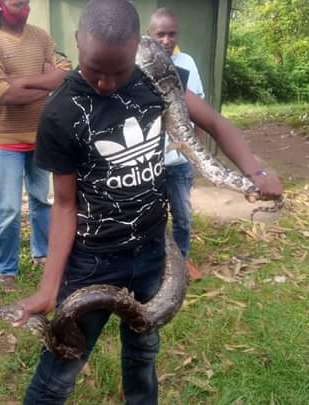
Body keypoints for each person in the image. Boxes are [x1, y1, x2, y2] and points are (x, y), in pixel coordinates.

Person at [16, 0, 283, 403]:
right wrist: (48, 287)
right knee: (61, 366)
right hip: (93, 260)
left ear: (135, 54)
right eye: (94, 69)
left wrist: (256, 172)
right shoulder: (60, 113)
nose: (106, 82)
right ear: (76, 44)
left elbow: (214, 121)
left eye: (118, 71)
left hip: (152, 251)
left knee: (143, 354)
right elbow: (65, 205)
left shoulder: (156, 81)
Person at [0, 0, 70, 292]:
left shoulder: (40, 36)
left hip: (42, 136)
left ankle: (42, 254)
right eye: (18, 3)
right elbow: (3, 95)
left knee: (41, 200)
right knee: (8, 208)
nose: (25, 7)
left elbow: (65, 72)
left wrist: (23, 81)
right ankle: (5, 268)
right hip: (7, 138)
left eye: (27, 3)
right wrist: (46, 81)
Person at [148, 7, 205, 281]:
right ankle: (158, 263)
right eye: (161, 34)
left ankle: (181, 260)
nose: (166, 40)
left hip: (180, 162)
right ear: (150, 34)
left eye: (171, 34)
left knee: (182, 217)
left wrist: (197, 157)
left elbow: (199, 112)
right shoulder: (141, 63)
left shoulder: (188, 63)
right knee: (153, 217)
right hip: (150, 163)